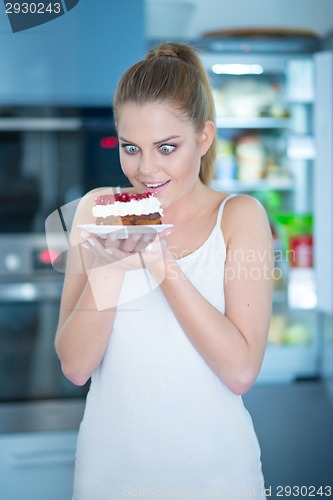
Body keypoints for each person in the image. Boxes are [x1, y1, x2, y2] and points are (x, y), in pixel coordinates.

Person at [55, 42, 273, 499]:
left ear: (205, 137)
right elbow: (75, 367)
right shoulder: (98, 208)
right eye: (130, 147)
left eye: (166, 147)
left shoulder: (239, 216)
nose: (146, 168)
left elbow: (239, 373)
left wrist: (159, 263)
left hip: (218, 480)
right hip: (108, 477)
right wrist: (112, 267)